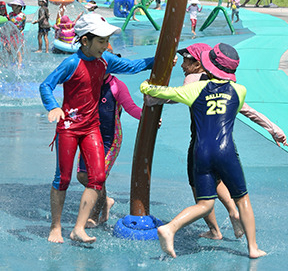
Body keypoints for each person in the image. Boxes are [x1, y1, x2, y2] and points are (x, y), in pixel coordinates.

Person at [146, 42, 287, 240]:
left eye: (186, 60)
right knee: (219, 180)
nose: (182, 65)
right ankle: (234, 212)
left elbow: (171, 97)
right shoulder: (226, 85)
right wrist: (274, 129)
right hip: (226, 144)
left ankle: (214, 231)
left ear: (199, 63)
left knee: (199, 191)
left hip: (201, 144)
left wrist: (150, 97)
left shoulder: (193, 80)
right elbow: (247, 110)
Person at [39, 13, 154, 244]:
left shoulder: (105, 61)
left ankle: (78, 228)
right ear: (85, 41)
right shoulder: (71, 63)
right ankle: (56, 227)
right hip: (69, 127)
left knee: (98, 177)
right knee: (63, 178)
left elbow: (132, 67)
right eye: (101, 41)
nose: (105, 46)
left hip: (91, 127)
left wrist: (158, 60)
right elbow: (46, 85)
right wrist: (53, 106)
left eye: (106, 40)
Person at [76, 68, 142, 227]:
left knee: (97, 177)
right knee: (82, 176)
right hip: (89, 136)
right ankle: (105, 201)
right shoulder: (87, 83)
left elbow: (131, 108)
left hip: (109, 139)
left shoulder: (116, 86)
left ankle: (95, 214)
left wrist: (147, 116)